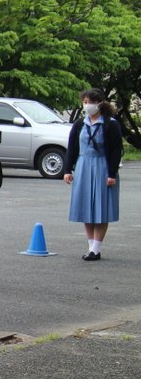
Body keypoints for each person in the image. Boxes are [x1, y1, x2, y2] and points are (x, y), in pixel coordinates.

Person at [62, 88, 123, 261]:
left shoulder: (110, 124)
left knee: (101, 207)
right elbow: (72, 147)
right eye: (85, 102)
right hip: (83, 165)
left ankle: (96, 248)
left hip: (102, 165)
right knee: (85, 206)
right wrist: (67, 170)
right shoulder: (80, 123)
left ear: (100, 104)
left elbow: (115, 151)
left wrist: (112, 173)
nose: (87, 106)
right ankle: (91, 247)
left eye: (91, 102)